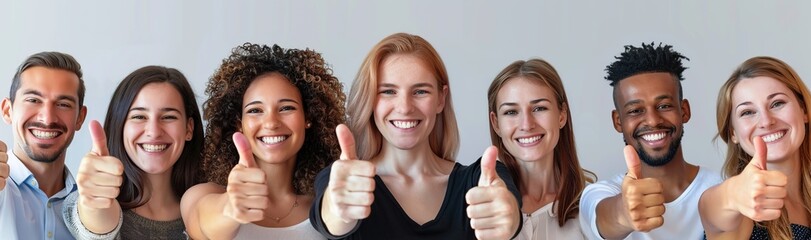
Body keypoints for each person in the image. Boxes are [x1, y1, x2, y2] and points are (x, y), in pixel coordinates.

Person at [310, 32, 521, 240]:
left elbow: (508, 211)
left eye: (420, 91)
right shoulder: (343, 180)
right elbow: (332, 217)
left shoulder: (482, 180)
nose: (405, 108)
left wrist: (508, 217)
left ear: (441, 99)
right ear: (370, 101)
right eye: (388, 92)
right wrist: (336, 210)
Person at [180, 43, 345, 240]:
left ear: (308, 117)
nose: (271, 123)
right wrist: (230, 208)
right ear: (239, 124)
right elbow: (204, 223)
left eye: (286, 108)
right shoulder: (202, 196)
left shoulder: (326, 207)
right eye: (255, 110)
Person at [578, 42, 722, 239]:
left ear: (685, 111)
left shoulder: (721, 187)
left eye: (664, 106)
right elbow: (604, 217)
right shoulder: (600, 194)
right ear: (618, 121)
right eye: (635, 111)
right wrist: (623, 213)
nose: (653, 121)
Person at [61, 66, 203, 239]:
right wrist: (94, 204)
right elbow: (97, 225)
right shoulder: (97, 201)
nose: (154, 131)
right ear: (120, 126)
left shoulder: (206, 205)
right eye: (139, 117)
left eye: (168, 117)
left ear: (189, 129)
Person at [699, 56, 811, 239]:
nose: (766, 121)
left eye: (777, 103)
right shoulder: (742, 212)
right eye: (748, 112)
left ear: (803, 110)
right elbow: (710, 208)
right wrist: (733, 195)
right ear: (733, 132)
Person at [487, 58, 595, 239]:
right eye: (511, 112)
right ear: (496, 123)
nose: (527, 125)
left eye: (539, 108)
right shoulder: (478, 206)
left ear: (562, 115)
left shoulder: (592, 206)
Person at [0, 52, 87, 239]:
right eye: (33, 100)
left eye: (63, 104)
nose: (47, 119)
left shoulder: (91, 209)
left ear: (80, 118)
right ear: (8, 111)